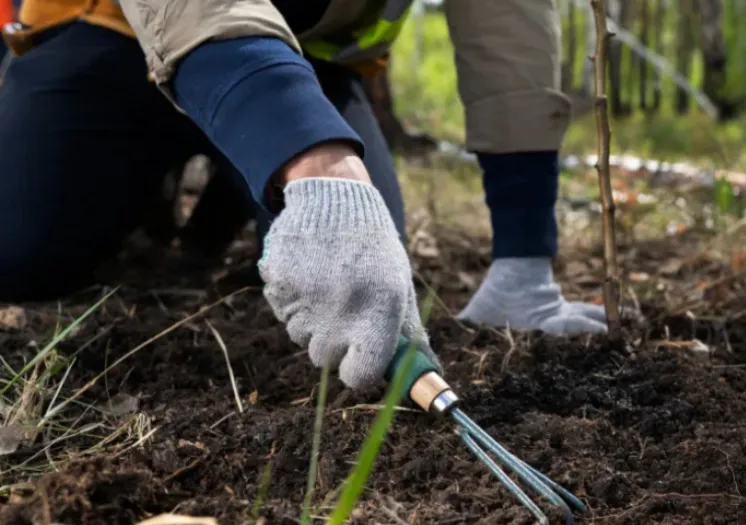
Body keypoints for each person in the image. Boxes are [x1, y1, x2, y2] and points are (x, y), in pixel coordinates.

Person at [0, 0, 607, 391]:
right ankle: (156, 190)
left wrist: (523, 260)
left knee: (362, 291)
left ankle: (238, 180)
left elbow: (508, 27)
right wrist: (319, 163)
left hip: (303, 61)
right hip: (112, 35)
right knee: (21, 249)